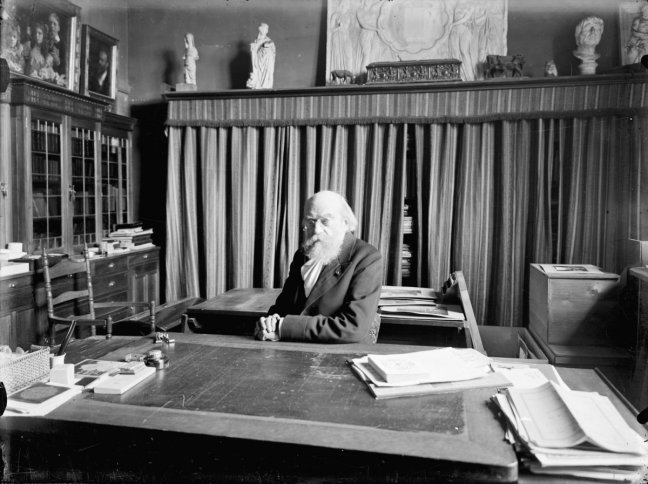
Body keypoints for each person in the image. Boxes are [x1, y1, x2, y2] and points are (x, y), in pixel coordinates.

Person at [255, 190, 383, 344]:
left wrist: (283, 326)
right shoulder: (302, 255)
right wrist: (270, 322)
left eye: (325, 221)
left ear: (345, 223)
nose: (316, 229)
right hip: (295, 346)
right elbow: (284, 306)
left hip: (341, 350)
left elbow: (354, 327)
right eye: (311, 221)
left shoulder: (367, 257)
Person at [246, 22, 275, 89]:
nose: (266, 30)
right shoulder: (257, 41)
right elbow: (254, 51)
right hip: (259, 61)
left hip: (267, 61)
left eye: (267, 29)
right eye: (265, 29)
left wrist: (266, 47)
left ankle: (265, 86)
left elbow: (272, 50)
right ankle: (258, 85)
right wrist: (253, 48)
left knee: (266, 74)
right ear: (260, 29)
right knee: (258, 74)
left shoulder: (269, 40)